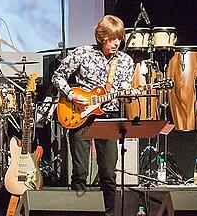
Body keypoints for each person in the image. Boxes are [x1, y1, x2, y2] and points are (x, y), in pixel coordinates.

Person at [52, 15, 137, 216]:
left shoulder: (125, 61)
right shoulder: (83, 53)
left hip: (108, 116)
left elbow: (123, 94)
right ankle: (78, 212)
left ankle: (109, 213)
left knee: (108, 173)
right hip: (79, 114)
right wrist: (72, 95)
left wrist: (129, 96)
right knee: (79, 172)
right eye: (111, 38)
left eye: (119, 38)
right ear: (102, 38)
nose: (116, 43)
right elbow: (58, 76)